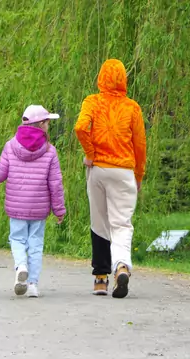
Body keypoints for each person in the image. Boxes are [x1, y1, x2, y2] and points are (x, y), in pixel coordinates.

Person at [74, 59, 147, 299]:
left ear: (101, 78)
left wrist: (91, 154)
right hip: (124, 170)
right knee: (121, 223)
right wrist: (138, 174)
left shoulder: (92, 102)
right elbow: (140, 145)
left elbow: (80, 127)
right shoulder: (132, 108)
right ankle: (122, 266)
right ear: (123, 79)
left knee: (99, 222)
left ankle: (100, 278)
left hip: (98, 170)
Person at [0, 105, 66, 298]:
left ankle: (21, 265)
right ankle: (33, 286)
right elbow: (55, 184)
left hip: (16, 207)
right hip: (39, 208)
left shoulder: (11, 145)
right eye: (47, 122)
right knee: (36, 244)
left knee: (18, 239)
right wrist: (59, 209)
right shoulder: (50, 151)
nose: (49, 125)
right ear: (41, 124)